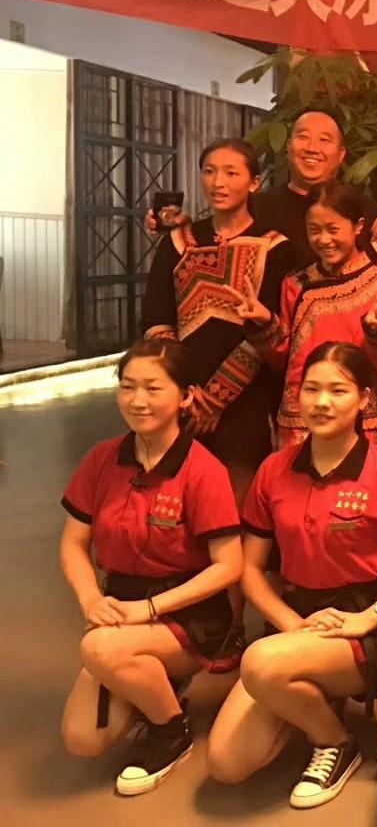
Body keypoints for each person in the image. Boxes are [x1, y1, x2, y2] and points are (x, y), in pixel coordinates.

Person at [206, 343, 377, 808]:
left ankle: (334, 744)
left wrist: (372, 617)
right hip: (296, 622)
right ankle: (325, 714)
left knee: (261, 664)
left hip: (365, 626)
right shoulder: (274, 470)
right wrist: (290, 623)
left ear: (364, 399)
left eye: (338, 391)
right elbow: (250, 569)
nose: (322, 402)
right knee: (226, 763)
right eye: (311, 390)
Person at [60, 339, 243, 795]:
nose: (137, 400)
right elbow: (73, 543)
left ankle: (171, 731)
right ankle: (151, 681)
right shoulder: (102, 458)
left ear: (186, 396)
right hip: (121, 611)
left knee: (100, 649)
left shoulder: (203, 471)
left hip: (189, 617)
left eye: (153, 388)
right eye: (127, 387)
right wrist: (90, 598)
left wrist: (150, 609)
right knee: (83, 740)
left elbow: (229, 566)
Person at [140, 138, 294, 504]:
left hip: (246, 401)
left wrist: (217, 398)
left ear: (254, 182)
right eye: (209, 172)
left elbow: (274, 329)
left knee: (235, 504)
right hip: (182, 398)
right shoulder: (177, 241)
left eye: (231, 173)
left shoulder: (275, 246)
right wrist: (186, 389)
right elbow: (157, 318)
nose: (218, 182)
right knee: (174, 503)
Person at [239, 182, 377, 449]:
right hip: (300, 421)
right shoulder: (295, 284)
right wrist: (264, 322)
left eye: (333, 229)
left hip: (362, 421)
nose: (324, 240)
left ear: (358, 226)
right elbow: (282, 359)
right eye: (314, 230)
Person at [252, 109, 377, 266]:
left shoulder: (363, 207)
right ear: (288, 146)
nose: (312, 148)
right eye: (303, 137)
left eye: (324, 140)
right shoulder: (255, 208)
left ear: (341, 154)